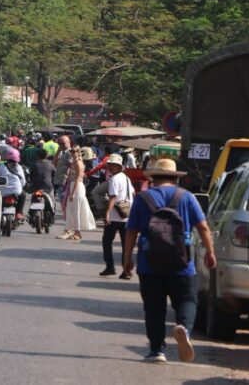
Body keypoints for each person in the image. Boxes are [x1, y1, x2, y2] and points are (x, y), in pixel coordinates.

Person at [123, 158, 216, 364]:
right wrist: (210, 252)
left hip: (149, 264)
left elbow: (131, 231)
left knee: (154, 308)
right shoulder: (186, 197)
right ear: (175, 178)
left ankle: (157, 350)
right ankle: (184, 328)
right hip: (182, 263)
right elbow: (202, 226)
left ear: (153, 178)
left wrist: (127, 258)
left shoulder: (143, 198)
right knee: (187, 300)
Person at [100, 154, 134, 278]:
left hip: (115, 216)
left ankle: (110, 267)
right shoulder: (126, 178)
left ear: (119, 167)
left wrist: (107, 213)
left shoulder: (114, 179)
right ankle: (126, 271)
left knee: (107, 242)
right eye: (110, 165)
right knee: (126, 245)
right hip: (127, 215)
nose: (111, 167)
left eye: (114, 165)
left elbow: (113, 197)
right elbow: (133, 193)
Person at [58, 146, 95, 241]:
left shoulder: (78, 163)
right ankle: (69, 230)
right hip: (72, 185)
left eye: (74, 151)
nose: (72, 152)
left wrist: (73, 193)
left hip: (77, 187)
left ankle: (77, 232)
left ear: (78, 152)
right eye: (71, 151)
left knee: (76, 210)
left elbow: (78, 178)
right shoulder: (74, 162)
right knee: (70, 209)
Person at [0, 150, 27, 218]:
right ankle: (19, 212)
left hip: (3, 192)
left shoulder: (2, 166)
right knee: (23, 195)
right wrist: (21, 186)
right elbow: (23, 181)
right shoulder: (19, 167)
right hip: (16, 191)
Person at [27, 149, 56, 220]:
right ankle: (52, 215)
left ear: (38, 156)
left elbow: (31, 176)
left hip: (36, 187)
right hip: (47, 187)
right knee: (52, 201)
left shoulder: (34, 164)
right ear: (46, 156)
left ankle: (31, 213)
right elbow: (54, 174)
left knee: (33, 199)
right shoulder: (50, 164)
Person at [53, 134, 72, 204]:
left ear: (68, 142)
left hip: (65, 181)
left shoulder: (70, 153)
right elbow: (54, 162)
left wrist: (67, 179)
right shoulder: (62, 152)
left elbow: (71, 167)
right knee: (62, 201)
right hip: (60, 180)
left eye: (63, 143)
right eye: (59, 144)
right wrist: (58, 150)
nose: (61, 145)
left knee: (63, 202)